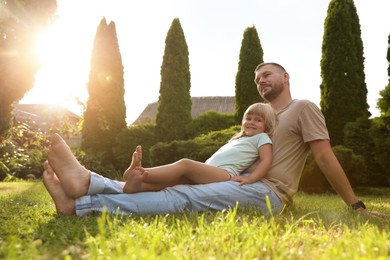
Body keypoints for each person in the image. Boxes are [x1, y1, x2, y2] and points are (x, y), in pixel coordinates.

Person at [43, 62, 383, 218]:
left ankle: (81, 204)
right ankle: (88, 183)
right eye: (256, 78)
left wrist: (355, 205)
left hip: (268, 192)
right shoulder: (259, 120)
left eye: (267, 74)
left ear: (285, 76)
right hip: (239, 183)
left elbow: (324, 158)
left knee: (180, 196)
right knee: (171, 185)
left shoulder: (303, 108)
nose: (261, 80)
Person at [122, 102, 277, 193]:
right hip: (210, 170)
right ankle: (138, 186)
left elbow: (266, 160)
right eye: (248, 118)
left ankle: (142, 173)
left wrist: (251, 178)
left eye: (258, 120)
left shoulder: (261, 138)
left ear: (266, 125)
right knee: (176, 181)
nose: (251, 122)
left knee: (185, 164)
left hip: (224, 174)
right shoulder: (238, 139)